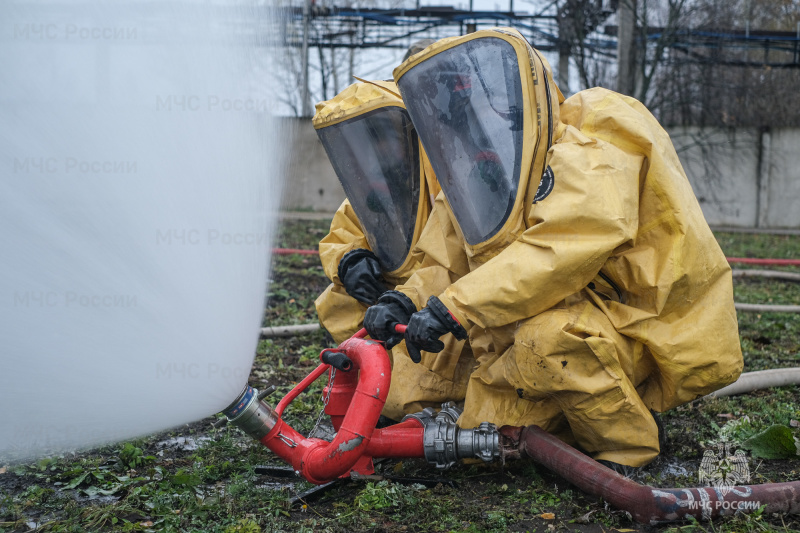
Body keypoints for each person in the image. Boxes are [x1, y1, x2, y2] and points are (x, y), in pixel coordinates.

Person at [364, 27, 743, 468]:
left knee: (549, 342)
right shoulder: (477, 177)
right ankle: (564, 420)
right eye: (456, 121)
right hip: (532, 325)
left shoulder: (587, 151)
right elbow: (450, 262)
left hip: (627, 327)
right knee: (414, 388)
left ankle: (630, 452)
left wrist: (452, 310)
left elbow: (556, 253)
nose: (468, 129)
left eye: (478, 114)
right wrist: (404, 300)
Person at [313, 79, 474, 420]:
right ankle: (366, 367)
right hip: (403, 301)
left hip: (442, 305)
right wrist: (349, 260)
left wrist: (405, 300)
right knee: (337, 297)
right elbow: (344, 231)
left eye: (384, 138)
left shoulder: (447, 179)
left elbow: (453, 262)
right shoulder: (380, 188)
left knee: (400, 397)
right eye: (370, 141)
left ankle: (437, 396)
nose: (378, 151)